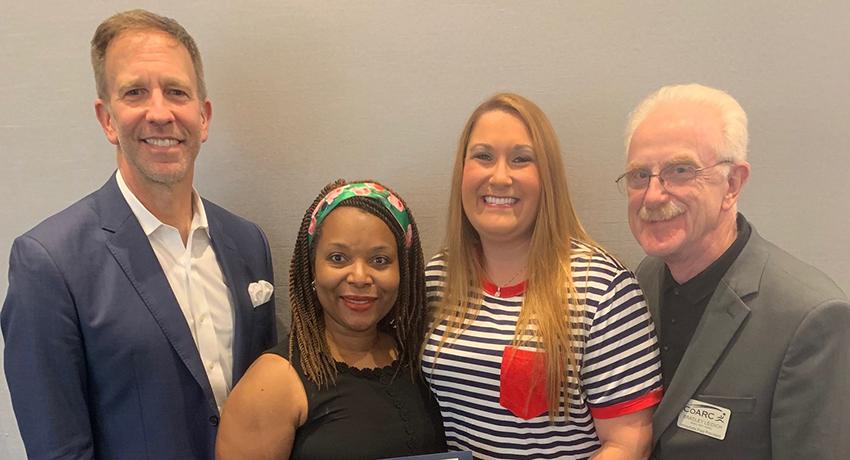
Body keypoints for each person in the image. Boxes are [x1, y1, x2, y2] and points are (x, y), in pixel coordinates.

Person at [1, 9, 276, 459]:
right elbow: (59, 450)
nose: (160, 112)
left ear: (203, 117)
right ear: (107, 118)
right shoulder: (48, 264)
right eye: (134, 92)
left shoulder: (248, 243)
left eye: (176, 92)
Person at [422, 93, 663, 459]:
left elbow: (629, 443)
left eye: (521, 159)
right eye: (483, 156)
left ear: (546, 177)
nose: (499, 177)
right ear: (462, 170)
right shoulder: (436, 278)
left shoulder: (602, 290)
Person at [619, 83, 850, 459]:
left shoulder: (809, 318)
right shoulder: (638, 283)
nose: (653, 195)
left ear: (732, 184)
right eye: (639, 175)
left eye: (680, 171)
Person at [217, 180, 447, 459]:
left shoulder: (415, 358)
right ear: (312, 267)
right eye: (338, 258)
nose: (360, 277)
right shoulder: (273, 382)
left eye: (380, 260)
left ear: (403, 271)